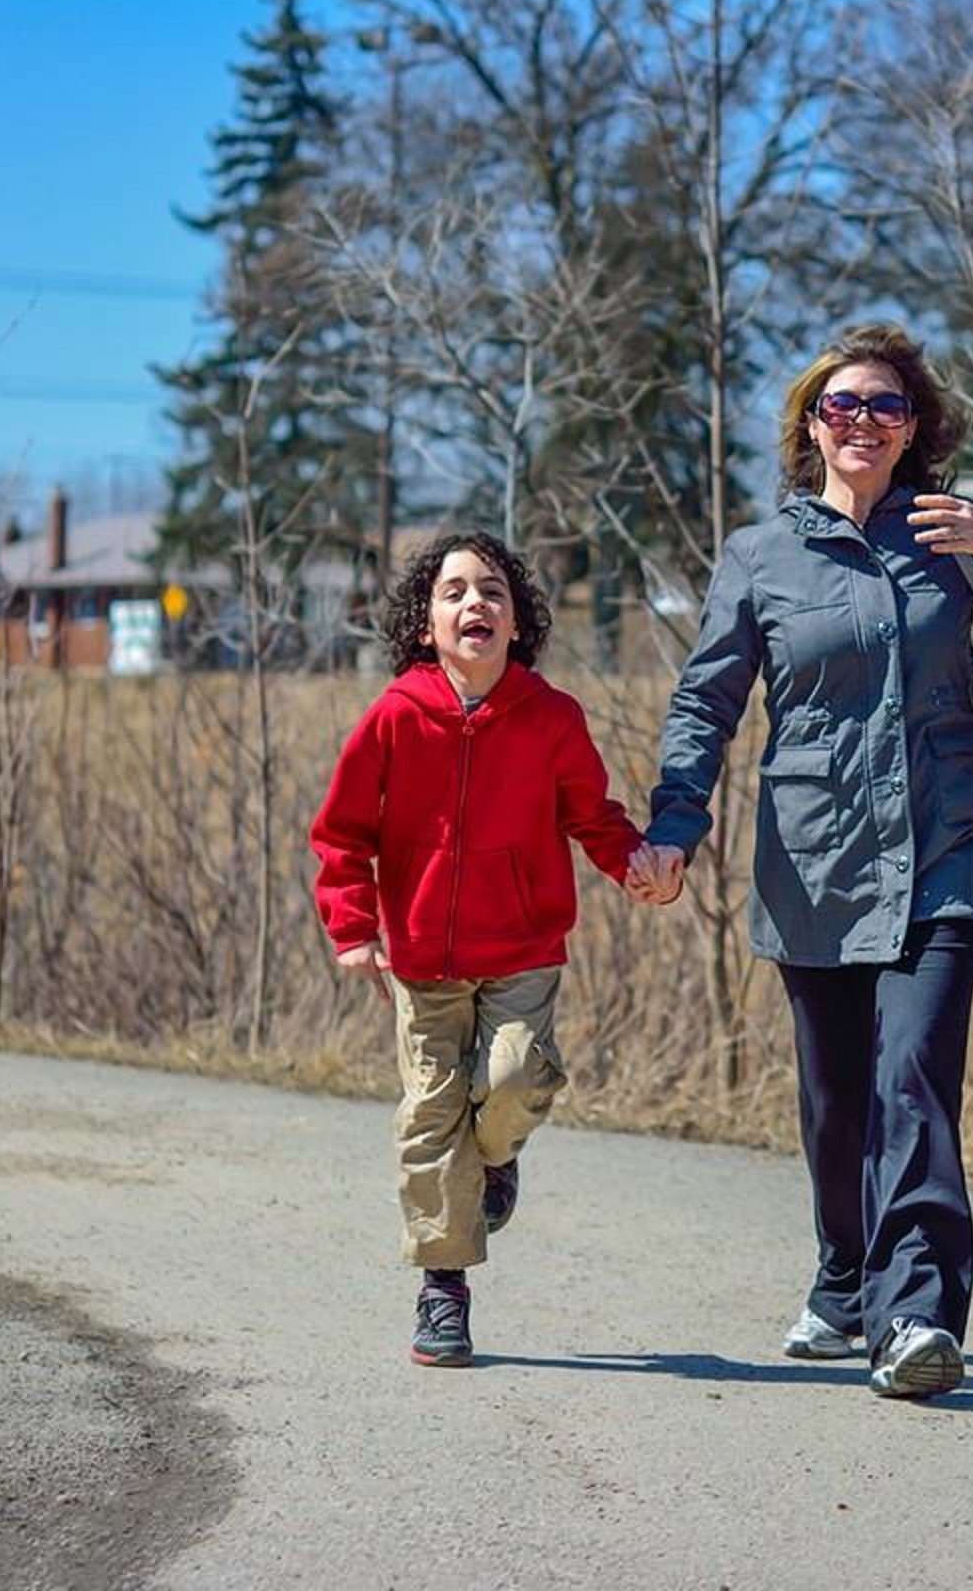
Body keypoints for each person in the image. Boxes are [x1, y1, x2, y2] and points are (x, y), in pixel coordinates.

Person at [633, 323, 973, 1400]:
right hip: (816, 860)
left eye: (884, 406)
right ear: (810, 426)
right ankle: (844, 1273)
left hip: (949, 850)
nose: (862, 421)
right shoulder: (760, 558)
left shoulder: (952, 535)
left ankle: (915, 1318)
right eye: (841, 405)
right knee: (838, 1098)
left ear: (914, 431)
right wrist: (674, 825)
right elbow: (707, 702)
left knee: (912, 1078)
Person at [310, 531, 663, 1368]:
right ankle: (443, 1286)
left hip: (525, 946)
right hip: (422, 960)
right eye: (455, 592)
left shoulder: (551, 717)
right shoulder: (395, 715)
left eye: (494, 592)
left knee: (508, 1083)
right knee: (431, 1115)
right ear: (426, 624)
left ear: (518, 622)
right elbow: (342, 833)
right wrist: (354, 927)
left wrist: (637, 866)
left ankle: (497, 1160)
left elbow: (594, 815)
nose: (477, 604)